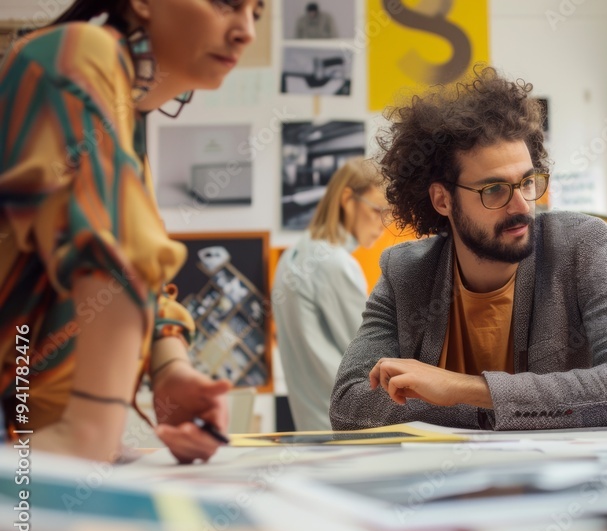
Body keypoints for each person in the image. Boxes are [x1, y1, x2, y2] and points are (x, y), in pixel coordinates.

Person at [0, 0, 262, 463]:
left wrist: (172, 374)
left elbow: (141, 278)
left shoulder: (127, 121)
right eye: (226, 3)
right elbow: (113, 251)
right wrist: (92, 428)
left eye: (256, 13)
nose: (246, 32)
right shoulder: (81, 51)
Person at [330, 66, 607, 430]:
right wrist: (495, 410)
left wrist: (463, 389)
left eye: (528, 182)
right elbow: (348, 405)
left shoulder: (580, 246)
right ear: (443, 199)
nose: (522, 206)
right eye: (494, 190)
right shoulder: (405, 273)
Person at [272, 158, 389, 431]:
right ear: (348, 199)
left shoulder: (293, 255)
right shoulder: (336, 264)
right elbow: (373, 359)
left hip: (311, 427)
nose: (383, 225)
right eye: (377, 211)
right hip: (349, 431)